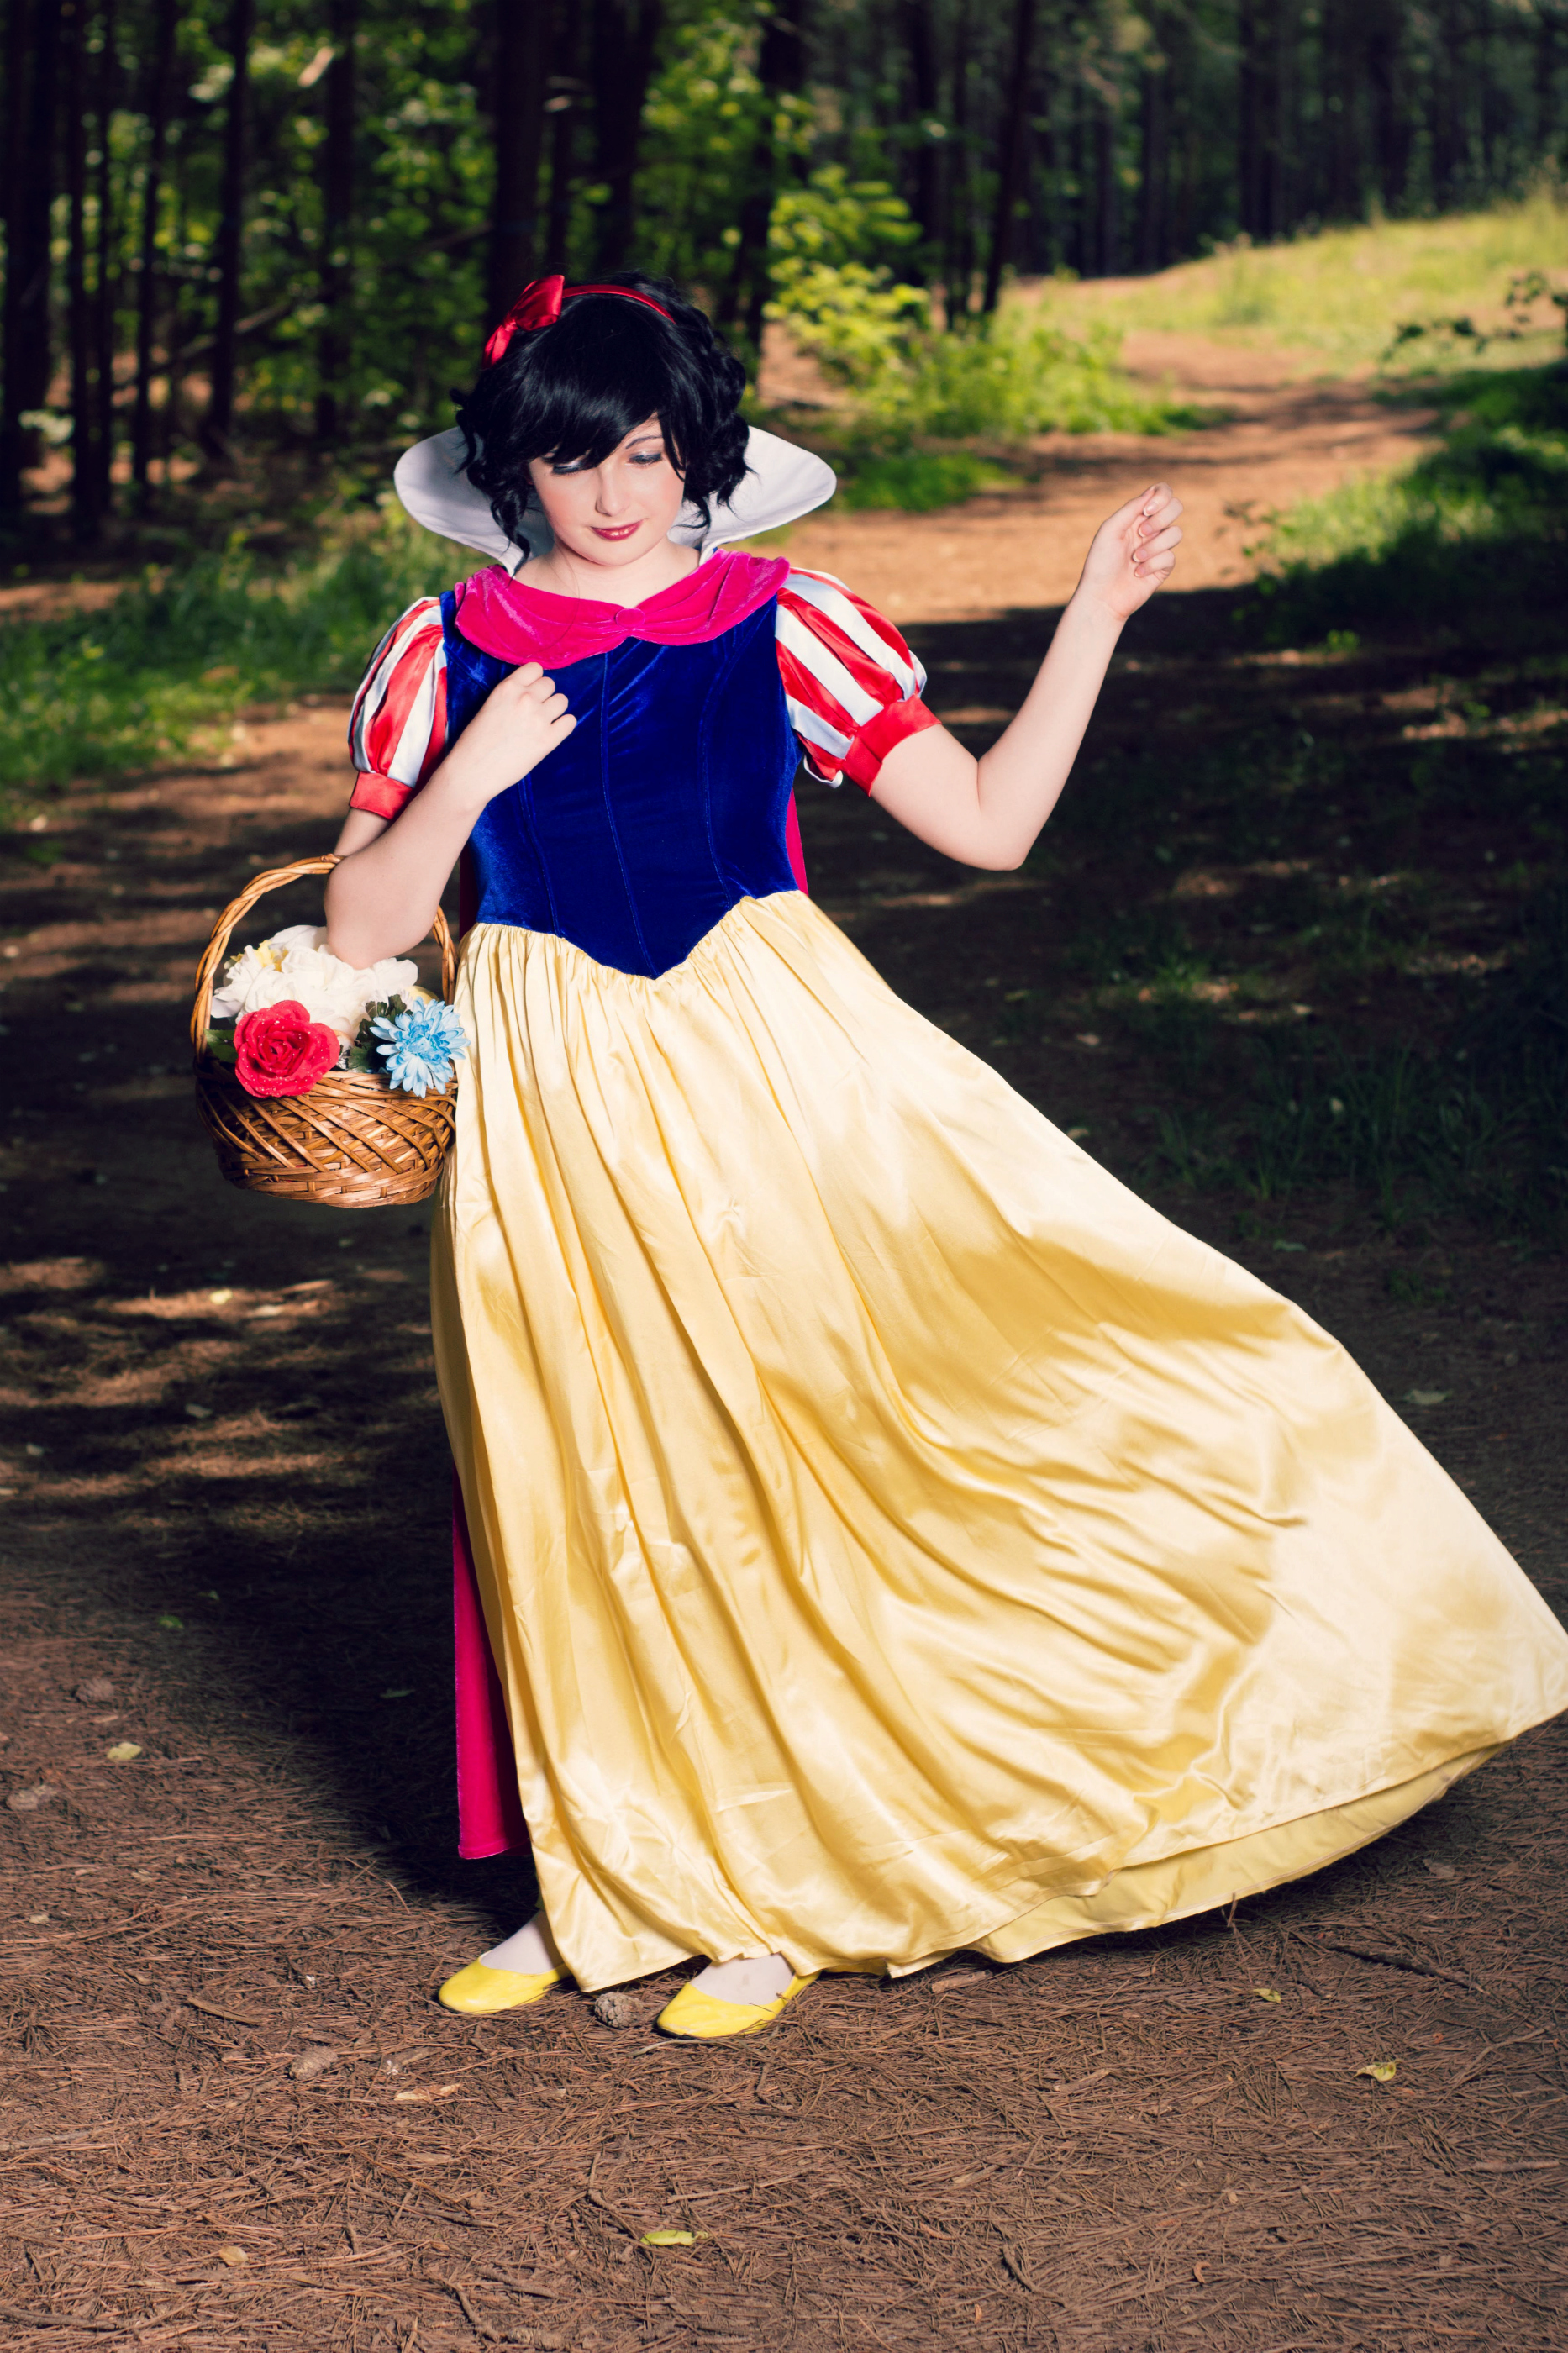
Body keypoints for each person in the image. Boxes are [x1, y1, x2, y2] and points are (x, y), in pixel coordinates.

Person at [324, 271, 1568, 2043]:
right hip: (555, 1091)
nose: (614, 493)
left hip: (771, 1068)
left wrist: (1094, 615)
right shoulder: (442, 647)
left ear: (699, 456)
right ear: (515, 461)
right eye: (578, 456)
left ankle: (774, 1888)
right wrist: (467, 775)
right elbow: (365, 924)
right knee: (583, 1463)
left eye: (651, 454)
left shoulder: (783, 617)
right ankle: (604, 1870)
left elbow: (986, 825)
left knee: (789, 1449)